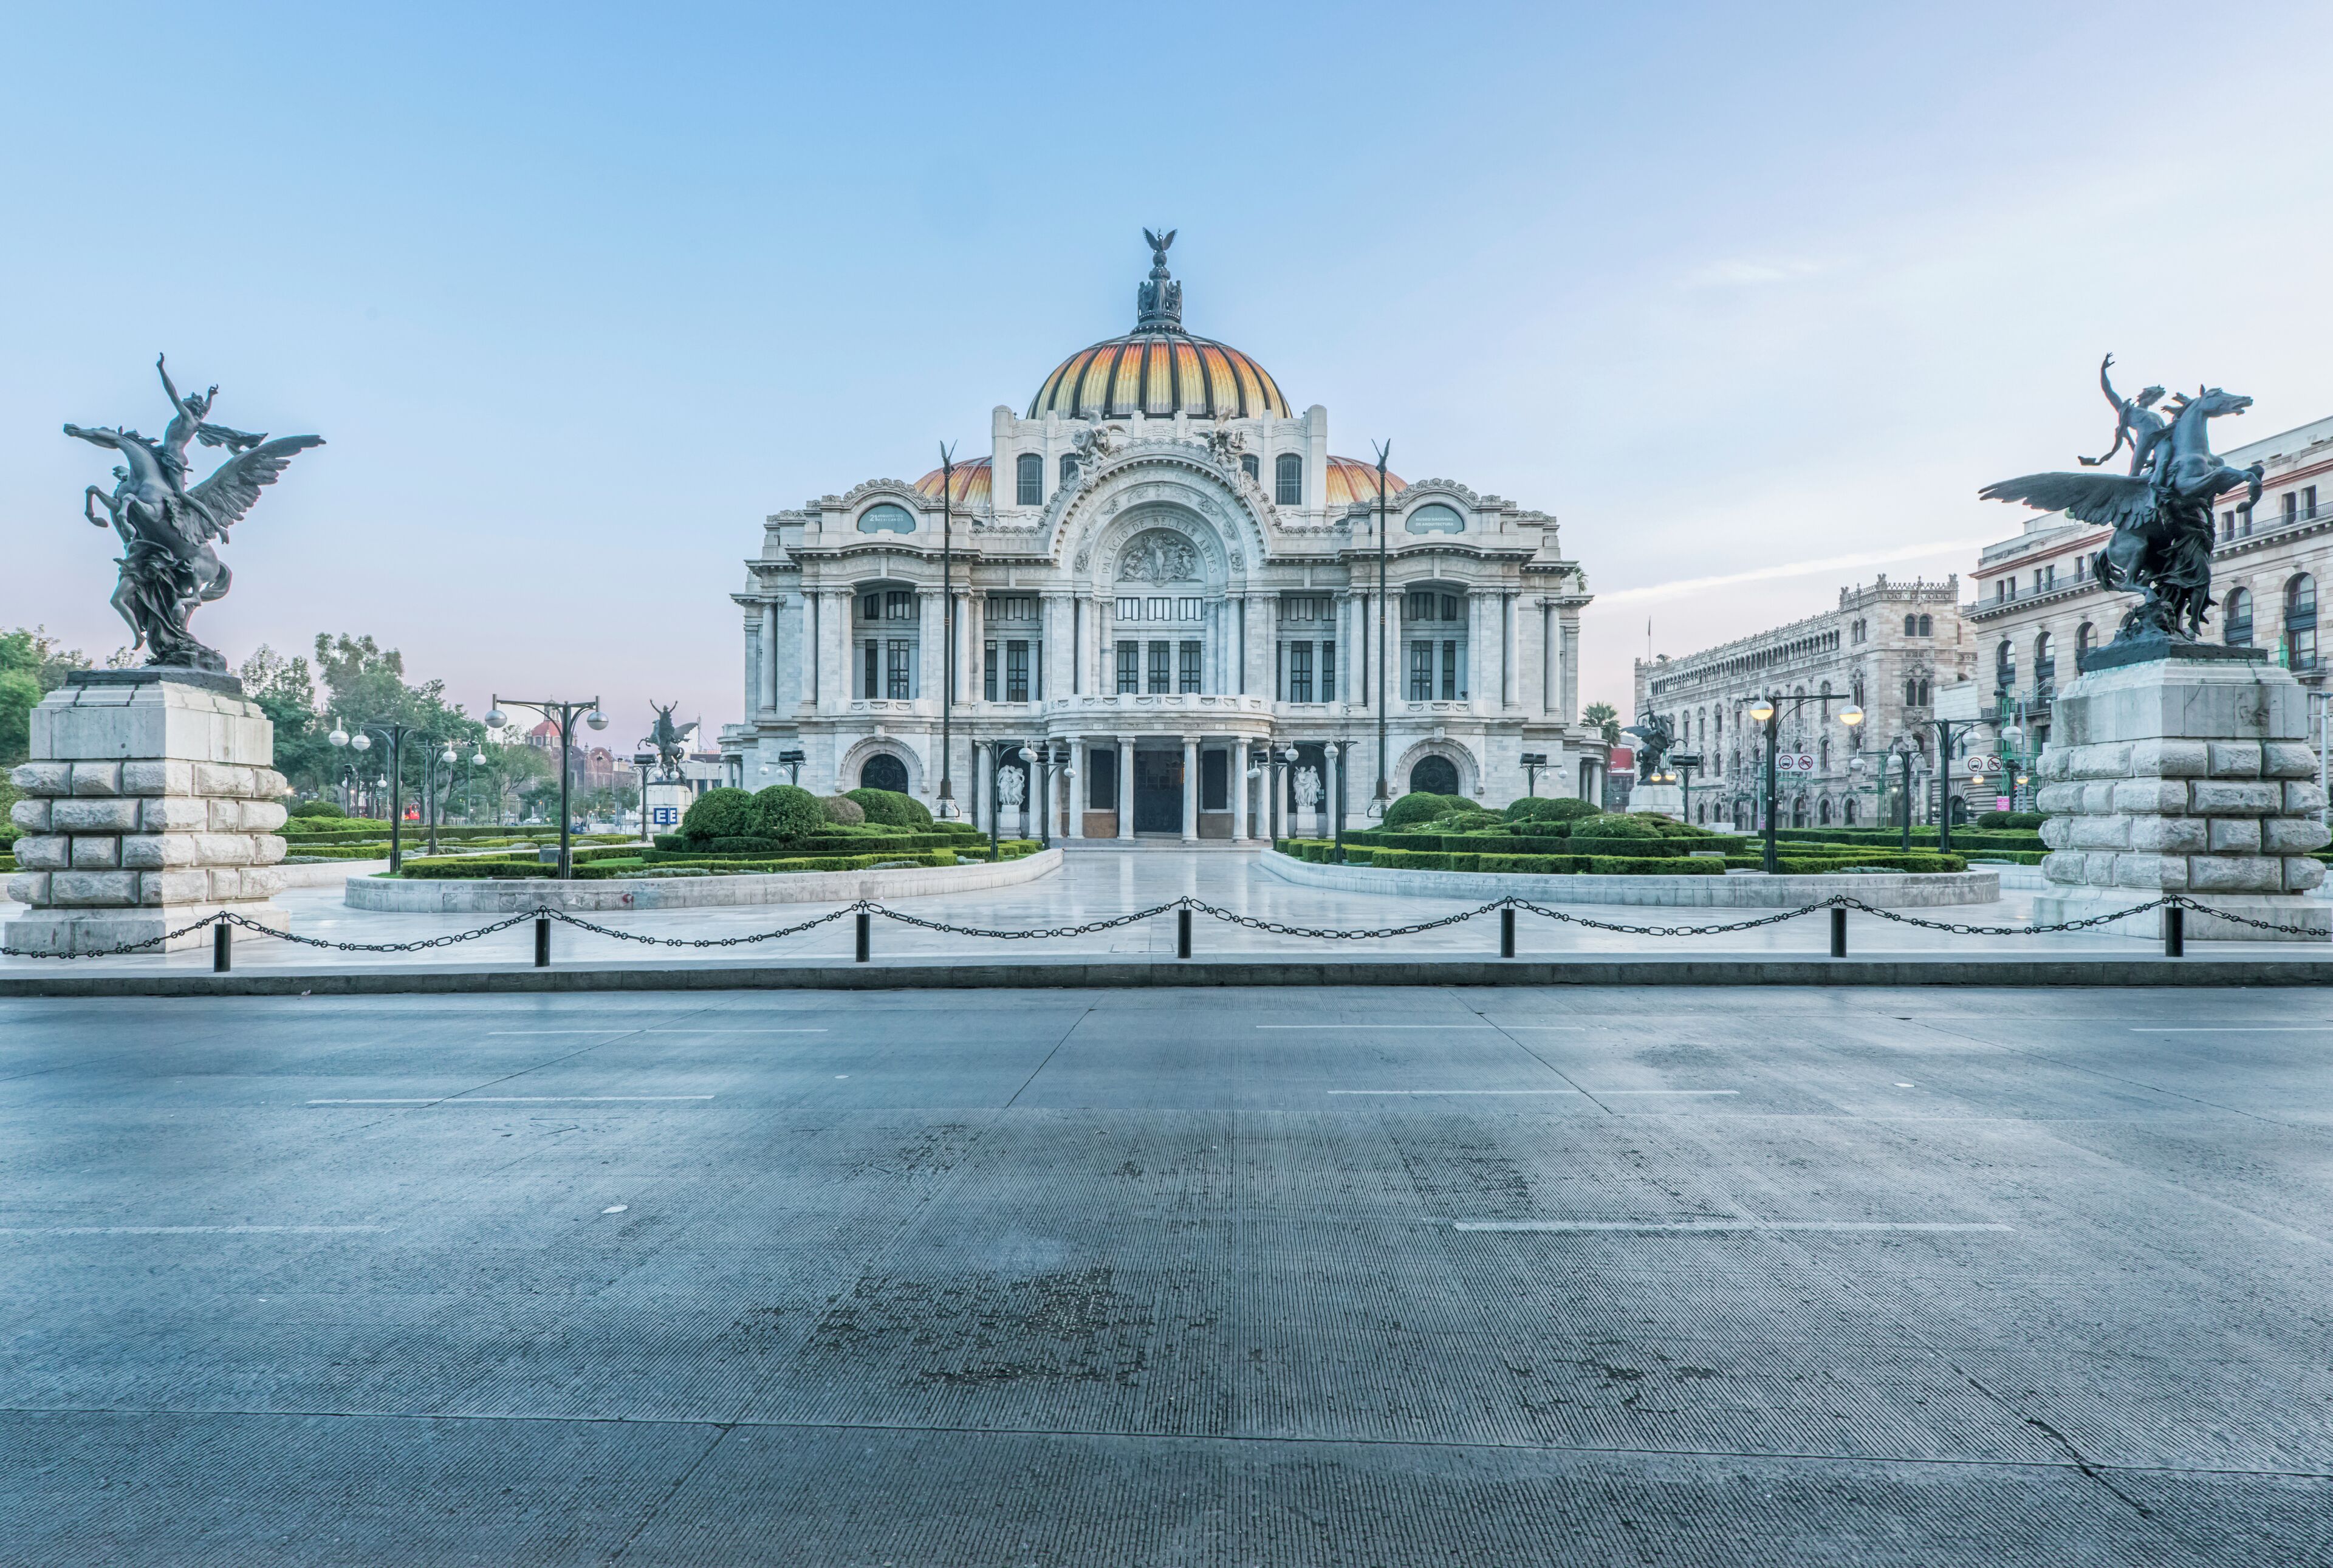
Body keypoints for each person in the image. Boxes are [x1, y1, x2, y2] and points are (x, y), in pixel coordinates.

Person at [2079, 354, 2168, 478]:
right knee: (2134, 473)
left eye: (2156, 399)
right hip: (2145, 438)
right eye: (2154, 397)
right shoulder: (2128, 410)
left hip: (2161, 440)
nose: (2155, 400)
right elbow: (2108, 391)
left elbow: (2167, 431)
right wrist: (2103, 370)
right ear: (2146, 395)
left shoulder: (2156, 416)